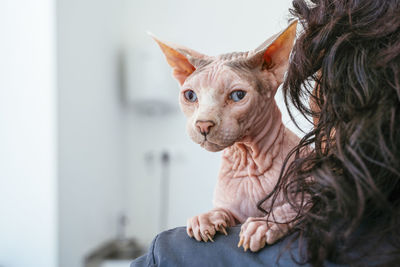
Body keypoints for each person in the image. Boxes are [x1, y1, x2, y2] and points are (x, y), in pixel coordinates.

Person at [131, 0, 400, 266]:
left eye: (237, 95)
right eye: (191, 96)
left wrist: (282, 219)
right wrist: (219, 215)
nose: (204, 120)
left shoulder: (172, 256)